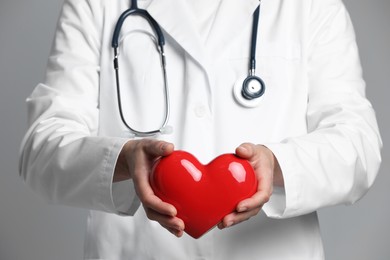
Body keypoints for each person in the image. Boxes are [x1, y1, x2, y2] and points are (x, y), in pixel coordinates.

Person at [19, 0, 382, 259]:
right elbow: (42, 148)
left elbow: (359, 145)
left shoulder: (312, 6)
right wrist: (124, 159)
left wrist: (277, 164)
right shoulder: (95, 5)